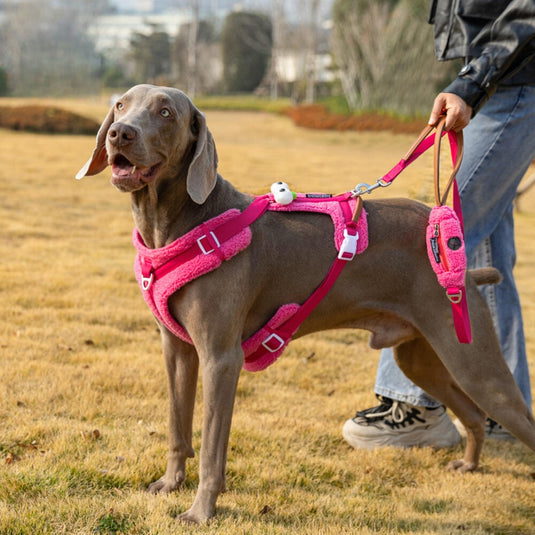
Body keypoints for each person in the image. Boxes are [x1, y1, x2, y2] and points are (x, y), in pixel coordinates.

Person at [343, 0, 535, 450]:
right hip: (500, 72)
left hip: (513, 76)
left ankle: (415, 405)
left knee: (439, 243)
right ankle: (502, 410)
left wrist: (474, 81)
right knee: (481, 255)